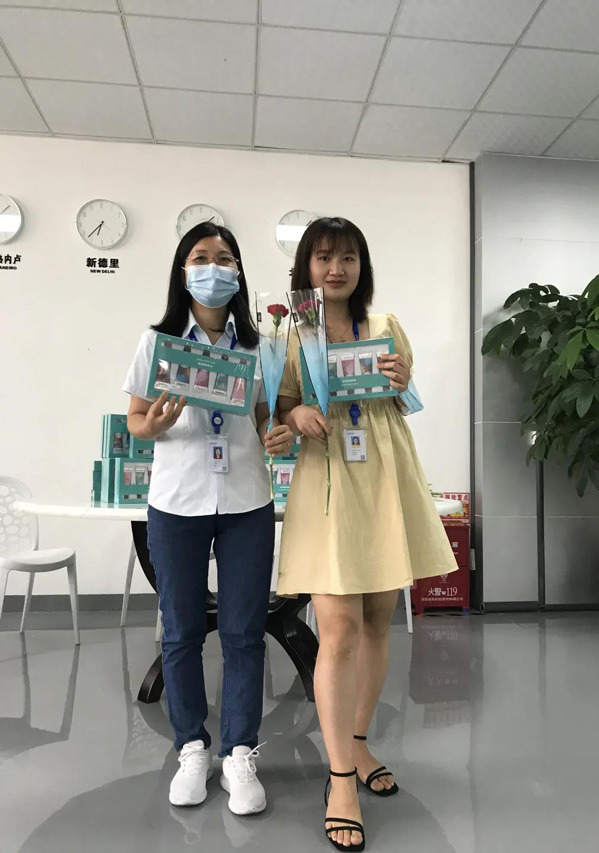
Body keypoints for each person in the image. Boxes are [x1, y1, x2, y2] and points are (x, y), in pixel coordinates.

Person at [277, 217, 457, 851]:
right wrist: (297, 411)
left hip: (383, 476)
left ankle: (358, 744)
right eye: (324, 257)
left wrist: (403, 382)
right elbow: (279, 406)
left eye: (348, 257)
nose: (336, 268)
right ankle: (339, 780)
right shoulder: (290, 334)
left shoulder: (386, 325)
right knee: (339, 629)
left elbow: (404, 397)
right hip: (328, 480)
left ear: (362, 266)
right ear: (306, 267)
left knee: (379, 623)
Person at [123, 222, 292, 815]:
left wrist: (276, 433)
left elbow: (268, 416)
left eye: (224, 258)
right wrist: (153, 425)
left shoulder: (260, 345)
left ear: (239, 272)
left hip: (246, 500)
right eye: (201, 257)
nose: (213, 268)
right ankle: (191, 748)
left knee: (245, 632)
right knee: (181, 632)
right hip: (177, 502)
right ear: (183, 271)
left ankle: (239, 752)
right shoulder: (158, 341)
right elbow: (136, 420)